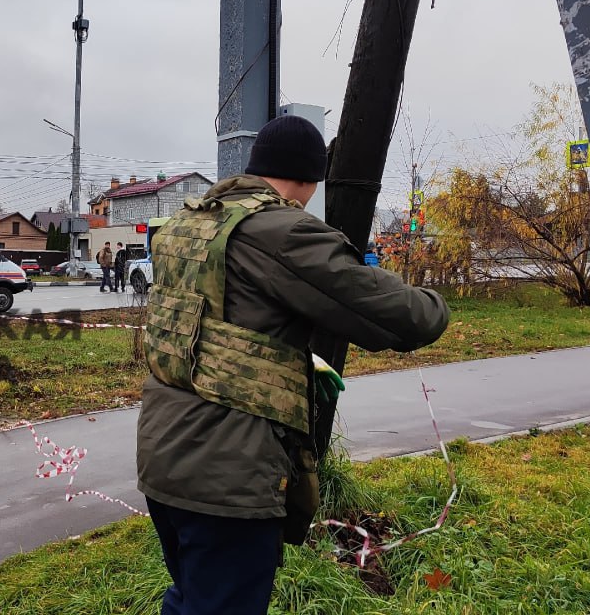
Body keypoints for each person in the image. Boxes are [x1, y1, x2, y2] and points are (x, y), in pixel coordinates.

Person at [136, 115, 450, 615]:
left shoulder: (189, 223)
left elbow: (219, 326)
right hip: (228, 473)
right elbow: (388, 312)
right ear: (308, 178)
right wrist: (435, 303)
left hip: (164, 459)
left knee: (192, 597)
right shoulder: (281, 231)